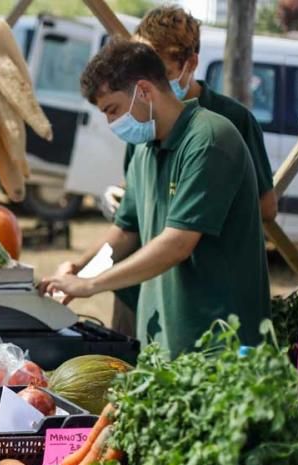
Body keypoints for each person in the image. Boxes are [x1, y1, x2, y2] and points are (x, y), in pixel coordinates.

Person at [39, 40, 270, 357]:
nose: (111, 123)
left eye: (113, 110)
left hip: (220, 344)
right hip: (165, 344)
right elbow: (125, 231)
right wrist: (79, 270)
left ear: (144, 91)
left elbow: (177, 243)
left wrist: (93, 285)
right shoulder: (144, 151)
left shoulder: (209, 140)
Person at [101, 5, 278, 337]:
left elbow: (266, 206)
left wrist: (201, 212)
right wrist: (84, 273)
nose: (144, 83)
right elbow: (132, 218)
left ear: (190, 64)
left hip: (212, 310)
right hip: (145, 293)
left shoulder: (225, 126)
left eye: (157, 69)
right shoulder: (143, 123)